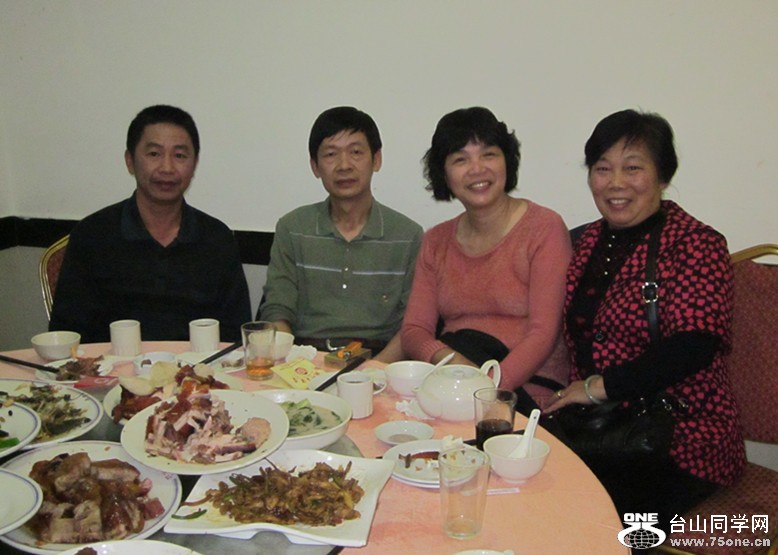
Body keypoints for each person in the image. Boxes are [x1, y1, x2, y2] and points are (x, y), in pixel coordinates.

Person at [545, 109, 745, 527]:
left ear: (663, 175)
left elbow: (692, 347)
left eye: (632, 168)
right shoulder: (583, 242)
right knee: (529, 495)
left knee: (595, 523)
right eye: (603, 169)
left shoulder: (697, 244)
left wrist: (598, 388)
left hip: (680, 439)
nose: (615, 183)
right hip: (599, 431)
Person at [401, 107, 572, 408]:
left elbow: (544, 333)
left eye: (488, 154)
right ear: (444, 173)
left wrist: (486, 386)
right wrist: (453, 365)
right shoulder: (435, 241)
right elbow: (414, 331)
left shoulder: (544, 228)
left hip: (526, 391)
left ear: (507, 161)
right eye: (461, 159)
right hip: (453, 382)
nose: (477, 169)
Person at [49, 105, 251, 343]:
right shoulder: (92, 235)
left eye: (180, 156)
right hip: (110, 365)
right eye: (154, 154)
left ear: (194, 164)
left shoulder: (217, 238)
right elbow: (68, 334)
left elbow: (235, 336)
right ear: (130, 161)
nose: (167, 168)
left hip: (198, 366)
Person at [259, 106, 423, 363]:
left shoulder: (408, 236)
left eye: (356, 152)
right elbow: (277, 309)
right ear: (315, 166)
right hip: (305, 358)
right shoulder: (292, 228)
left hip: (379, 361)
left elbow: (413, 325)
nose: (344, 165)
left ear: (376, 159)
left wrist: (374, 370)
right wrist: (294, 364)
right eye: (331, 154)